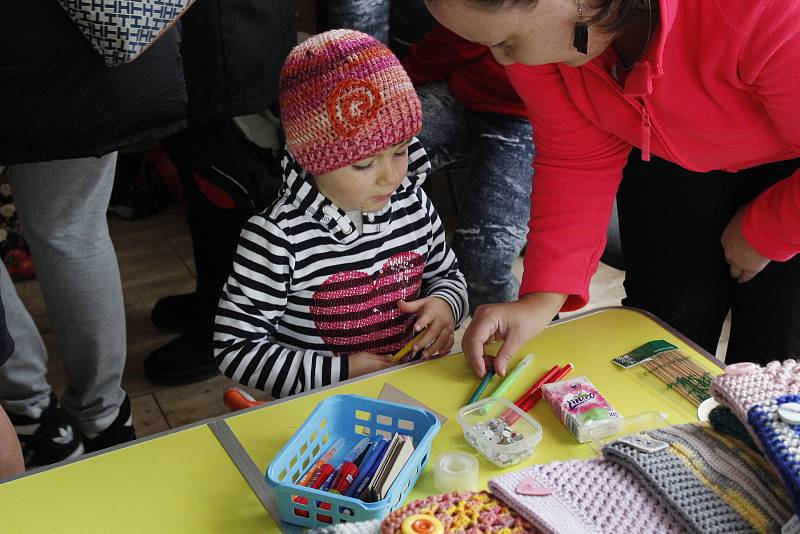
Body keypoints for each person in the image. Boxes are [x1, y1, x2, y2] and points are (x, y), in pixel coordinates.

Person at [422, 0, 800, 374]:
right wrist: (542, 300)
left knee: (775, 354)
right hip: (668, 152)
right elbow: (574, 157)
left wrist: (766, 231)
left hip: (789, 169)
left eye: (505, 41)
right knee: (663, 332)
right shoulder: (549, 40)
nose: (503, 60)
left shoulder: (759, 9)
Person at [213, 30, 469, 398]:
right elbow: (236, 349)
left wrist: (446, 305)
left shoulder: (412, 203)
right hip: (318, 413)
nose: (392, 176)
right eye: (364, 164)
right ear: (311, 160)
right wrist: (340, 371)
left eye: (400, 151)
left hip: (408, 392)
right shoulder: (275, 239)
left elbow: (448, 275)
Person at [144, 0, 296, 386]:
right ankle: (211, 299)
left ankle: (229, 322)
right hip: (201, 42)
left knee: (228, 187)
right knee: (199, 182)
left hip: (231, 44)